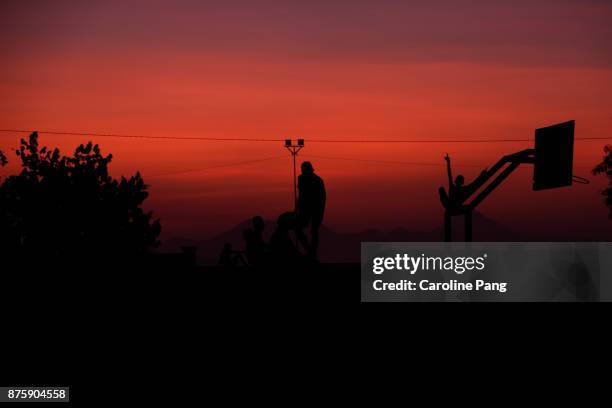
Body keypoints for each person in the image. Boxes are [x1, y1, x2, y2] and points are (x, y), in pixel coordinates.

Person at [295, 161, 326, 259]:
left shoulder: (317, 180)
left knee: (313, 231)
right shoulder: (302, 179)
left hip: (316, 209)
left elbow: (321, 197)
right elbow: (301, 195)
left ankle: (312, 252)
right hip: (307, 209)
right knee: (300, 230)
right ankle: (310, 251)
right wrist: (298, 208)